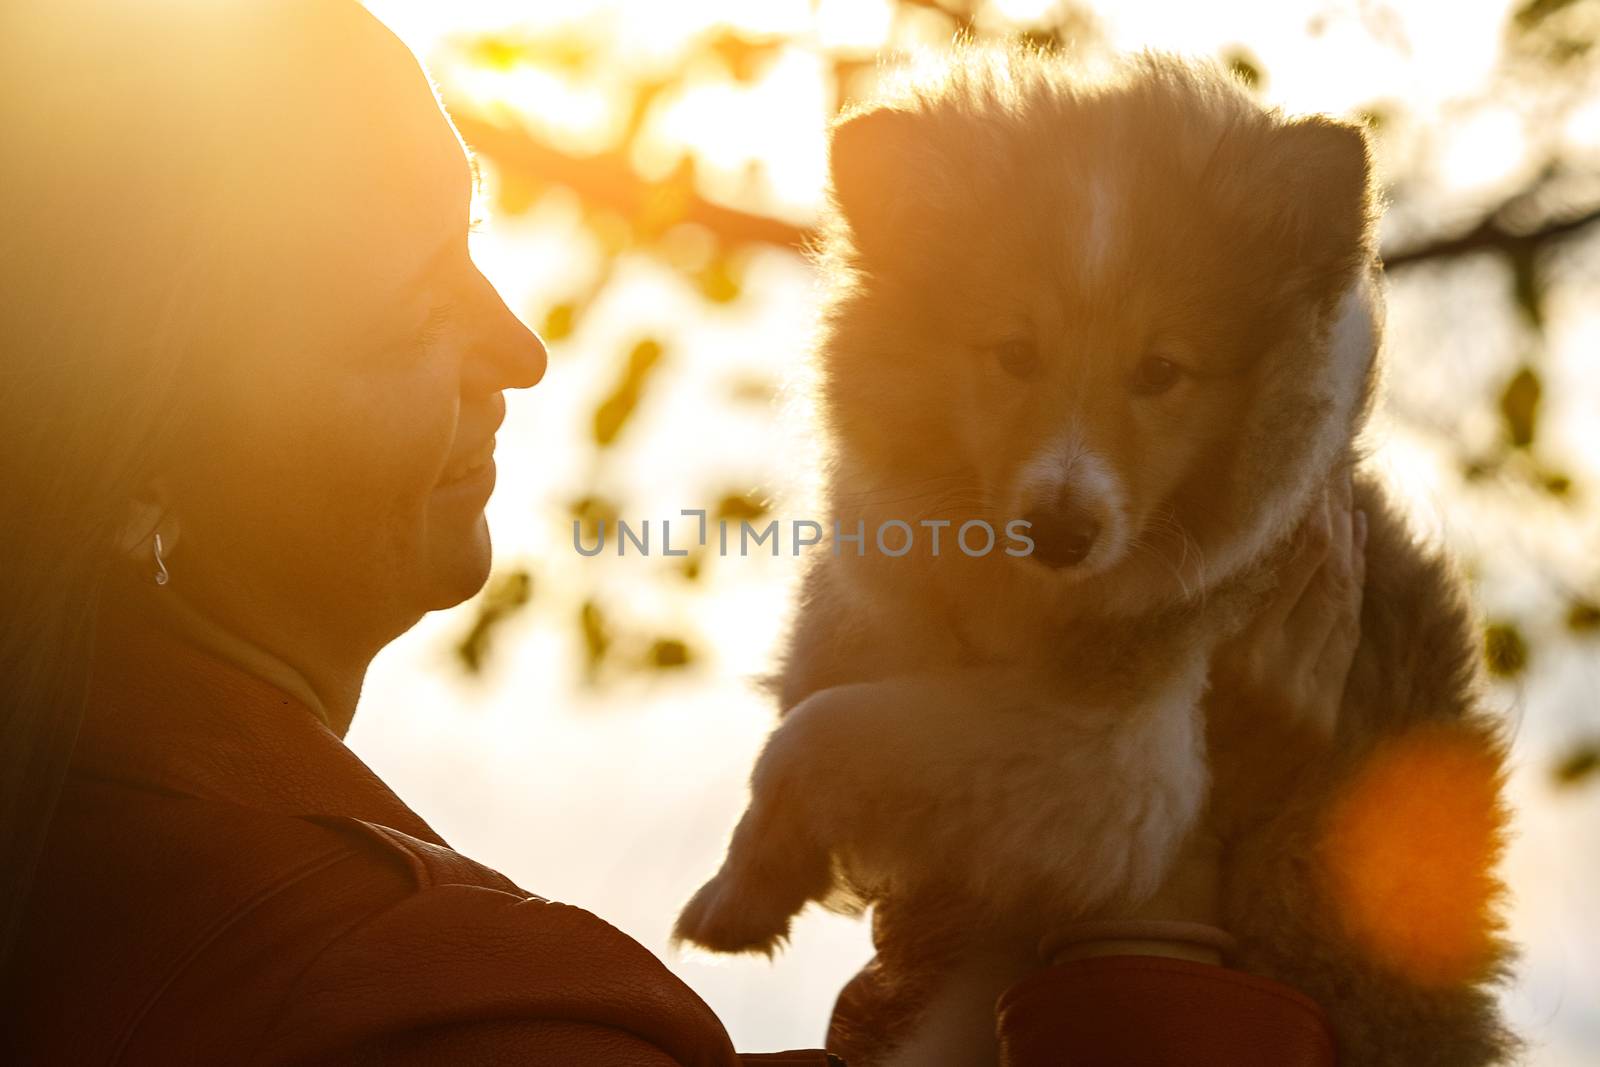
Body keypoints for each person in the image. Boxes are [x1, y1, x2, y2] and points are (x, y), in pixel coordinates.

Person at [0, 2, 1363, 1062]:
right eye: (411, 317)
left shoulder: (96, 867)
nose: (519, 350)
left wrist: (953, 939)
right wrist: (1167, 920)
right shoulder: (425, 1005)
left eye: (479, 250)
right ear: (131, 431)